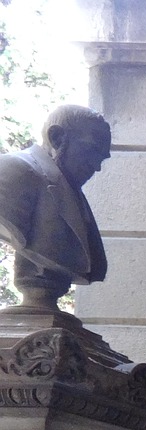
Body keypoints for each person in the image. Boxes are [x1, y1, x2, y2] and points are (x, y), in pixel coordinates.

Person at [0, 105, 112, 311]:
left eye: (101, 158)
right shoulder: (12, 171)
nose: (96, 166)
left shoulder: (74, 193)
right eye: (91, 151)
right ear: (57, 138)